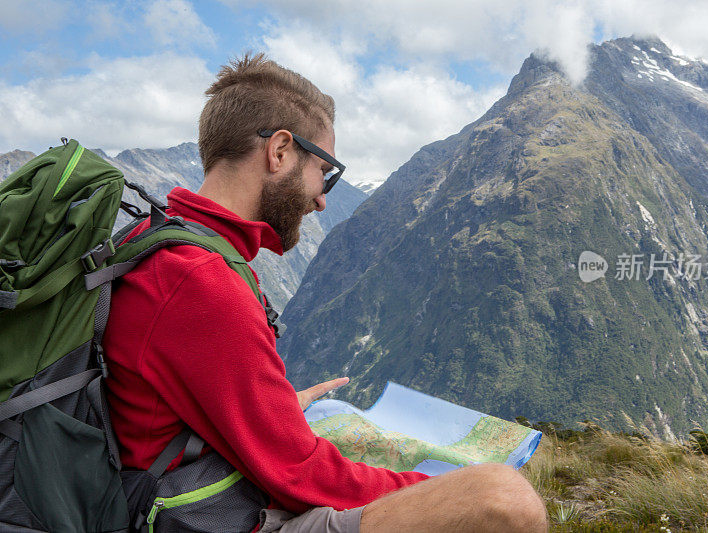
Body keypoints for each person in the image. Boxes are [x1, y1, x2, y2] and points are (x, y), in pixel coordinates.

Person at [103, 52, 548, 533]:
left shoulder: (156, 239)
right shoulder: (200, 281)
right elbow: (298, 473)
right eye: (326, 171)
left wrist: (273, 413)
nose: (321, 197)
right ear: (279, 152)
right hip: (209, 517)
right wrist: (435, 488)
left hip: (182, 487)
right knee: (503, 499)